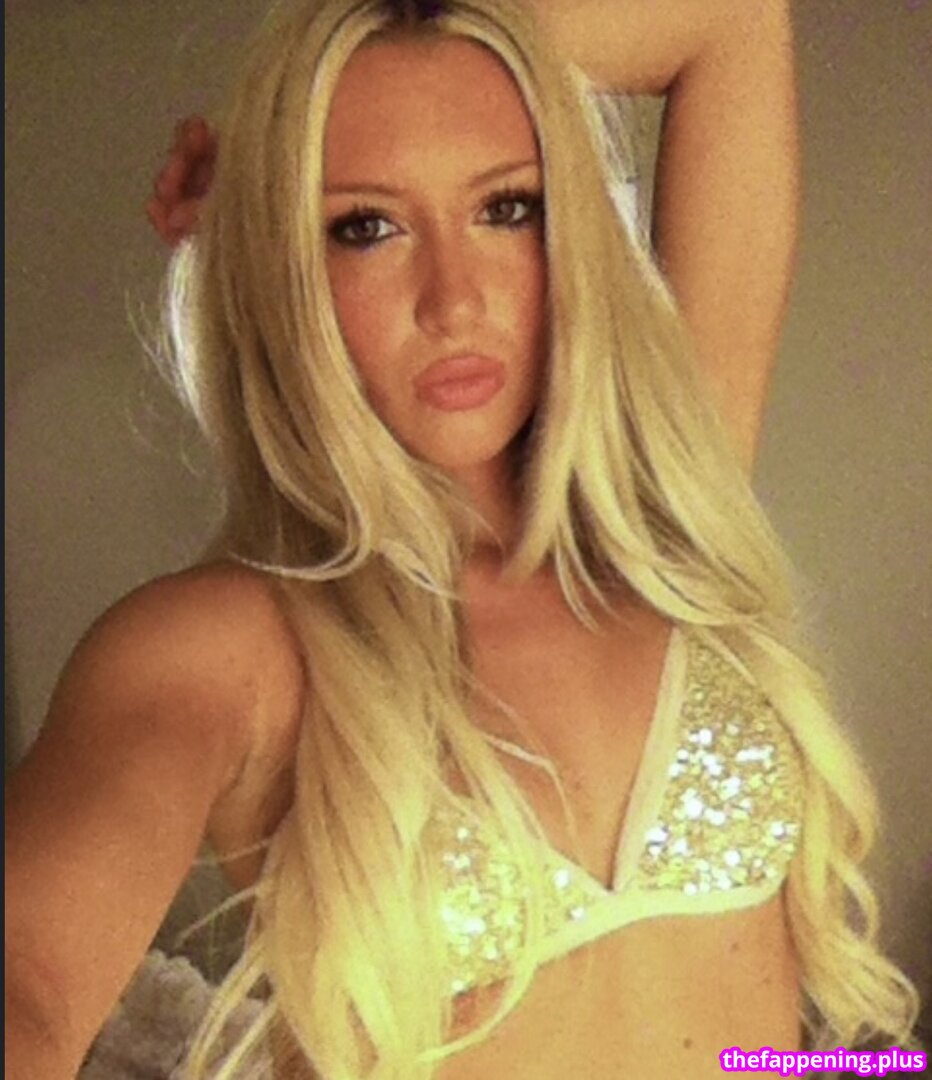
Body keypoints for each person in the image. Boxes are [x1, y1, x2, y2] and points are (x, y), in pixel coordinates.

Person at [5, 0, 924, 1077]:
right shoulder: (236, 647)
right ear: (284, 263)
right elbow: (31, 983)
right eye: (366, 226)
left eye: (506, 207)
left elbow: (728, 18)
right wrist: (301, 123)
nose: (455, 300)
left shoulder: (668, 521)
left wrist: (348, 91)